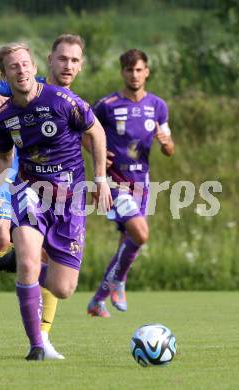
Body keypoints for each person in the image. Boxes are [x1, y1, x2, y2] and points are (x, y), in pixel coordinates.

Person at [0, 35, 85, 359]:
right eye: (62, 59)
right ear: (47, 62)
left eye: (74, 61)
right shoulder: (21, 81)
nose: (68, 66)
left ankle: (43, 337)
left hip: (50, 188)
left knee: (49, 259)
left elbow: (86, 136)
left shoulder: (68, 101)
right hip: (11, 178)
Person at [0, 42, 111, 360]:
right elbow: (4, 159)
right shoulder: (3, 117)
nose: (22, 70)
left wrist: (100, 179)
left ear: (34, 66)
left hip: (70, 201)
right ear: (4, 74)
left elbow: (96, 133)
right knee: (30, 261)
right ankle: (36, 345)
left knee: (63, 289)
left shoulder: (63, 100)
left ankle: (19, 266)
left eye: (25, 64)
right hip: (31, 193)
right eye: (14, 66)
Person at [87, 49, 175, 317]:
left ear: (147, 71)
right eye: (129, 70)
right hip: (116, 183)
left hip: (142, 184)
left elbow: (170, 149)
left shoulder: (158, 106)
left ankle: (98, 300)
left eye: (139, 70)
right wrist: (97, 153)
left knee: (129, 242)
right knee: (140, 234)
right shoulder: (107, 105)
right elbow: (84, 130)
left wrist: (166, 143)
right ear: (122, 72)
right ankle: (119, 282)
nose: (134, 75)